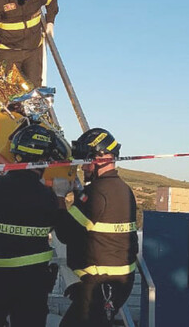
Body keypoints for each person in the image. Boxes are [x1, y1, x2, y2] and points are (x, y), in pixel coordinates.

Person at [0, 124, 69, 327]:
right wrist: (61, 196)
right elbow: (59, 228)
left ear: (16, 154)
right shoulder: (47, 197)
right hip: (32, 281)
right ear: (44, 161)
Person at [54, 128, 138, 327]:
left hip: (101, 284)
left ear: (99, 158)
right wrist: (78, 194)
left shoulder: (96, 194)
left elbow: (65, 233)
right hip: (116, 282)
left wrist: (59, 197)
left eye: (85, 162)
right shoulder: (124, 190)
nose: (83, 168)